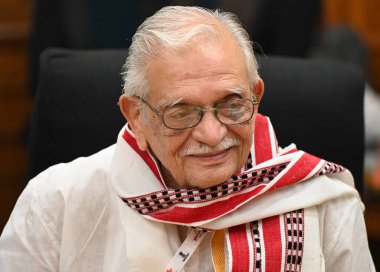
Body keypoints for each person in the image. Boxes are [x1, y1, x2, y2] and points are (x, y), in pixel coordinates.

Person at [0, 6, 375, 271]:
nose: (213, 135)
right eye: (181, 113)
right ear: (136, 116)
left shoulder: (327, 206)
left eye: (232, 105)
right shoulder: (55, 202)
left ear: (256, 96)